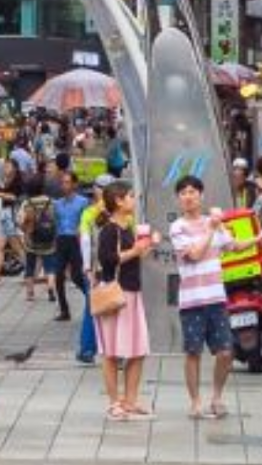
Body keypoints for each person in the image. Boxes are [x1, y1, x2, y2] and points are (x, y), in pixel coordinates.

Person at [168, 176, 245, 420]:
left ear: (201, 195)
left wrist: (259, 237)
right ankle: (195, 401)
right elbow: (196, 254)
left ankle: (217, 396)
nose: (188, 196)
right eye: (183, 193)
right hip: (191, 301)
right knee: (193, 352)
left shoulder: (213, 223)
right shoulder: (177, 227)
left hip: (216, 297)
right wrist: (212, 228)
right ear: (179, 199)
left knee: (224, 351)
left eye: (193, 192)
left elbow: (233, 246)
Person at [96, 181, 157, 421]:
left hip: (132, 292)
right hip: (115, 295)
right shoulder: (110, 229)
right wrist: (135, 250)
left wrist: (146, 246)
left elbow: (133, 257)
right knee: (111, 352)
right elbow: (107, 260)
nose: (133, 200)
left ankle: (130, 400)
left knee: (137, 349)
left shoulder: (128, 227)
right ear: (118, 201)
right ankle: (114, 402)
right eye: (130, 196)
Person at [49, 172, 91, 336]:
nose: (64, 186)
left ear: (74, 184)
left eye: (68, 183)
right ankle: (64, 310)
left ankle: (91, 299)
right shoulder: (57, 204)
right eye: (63, 183)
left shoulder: (83, 202)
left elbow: (85, 221)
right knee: (58, 275)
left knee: (77, 275)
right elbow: (55, 223)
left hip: (75, 240)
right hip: (61, 239)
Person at [17, 175, 58, 303]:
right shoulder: (50, 201)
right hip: (48, 239)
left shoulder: (27, 203)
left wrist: (24, 229)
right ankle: (51, 287)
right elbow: (56, 218)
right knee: (50, 267)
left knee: (30, 266)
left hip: (32, 240)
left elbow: (20, 220)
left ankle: (30, 293)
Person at [0, 159, 25, 283]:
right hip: (3, 213)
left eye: (8, 166)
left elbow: (14, 197)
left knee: (16, 246)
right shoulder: (3, 181)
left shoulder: (18, 181)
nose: (5, 168)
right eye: (4, 166)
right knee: (0, 246)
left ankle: (29, 272)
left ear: (15, 168)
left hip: (11, 213)